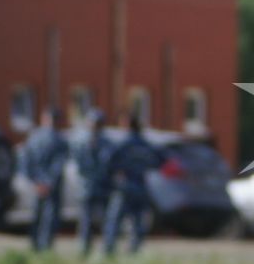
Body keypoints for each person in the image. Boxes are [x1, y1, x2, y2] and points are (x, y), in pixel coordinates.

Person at [103, 113, 164, 255]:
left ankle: (109, 251)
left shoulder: (122, 144)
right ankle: (134, 250)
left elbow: (108, 162)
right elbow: (159, 161)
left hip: (124, 187)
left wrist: (113, 177)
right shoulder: (146, 145)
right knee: (137, 222)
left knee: (114, 220)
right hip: (141, 187)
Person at [22, 107, 69, 253]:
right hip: (51, 186)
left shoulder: (33, 137)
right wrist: (47, 183)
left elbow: (26, 162)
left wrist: (35, 181)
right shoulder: (60, 140)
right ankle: (45, 249)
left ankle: (35, 247)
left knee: (37, 216)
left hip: (37, 185)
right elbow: (58, 165)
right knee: (49, 218)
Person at [76, 110, 113, 256]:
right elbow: (80, 165)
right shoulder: (79, 142)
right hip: (86, 187)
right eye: (93, 122)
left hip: (103, 187)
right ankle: (84, 250)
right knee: (85, 220)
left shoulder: (107, 143)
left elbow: (108, 165)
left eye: (98, 123)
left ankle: (107, 250)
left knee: (105, 219)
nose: (95, 126)